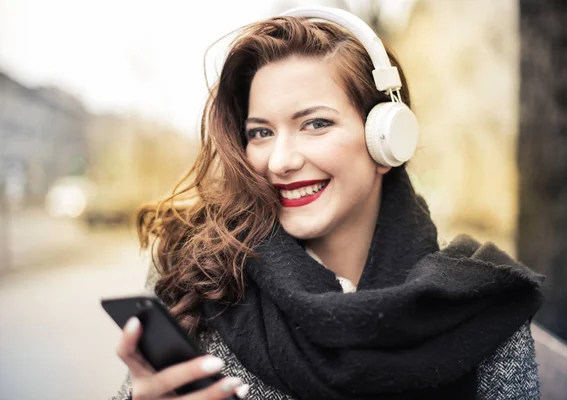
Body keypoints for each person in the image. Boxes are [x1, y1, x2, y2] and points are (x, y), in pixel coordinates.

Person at [111, 6, 544, 400]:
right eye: (260, 132)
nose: (279, 162)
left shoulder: (473, 305)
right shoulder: (203, 273)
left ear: (387, 138)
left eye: (316, 124)